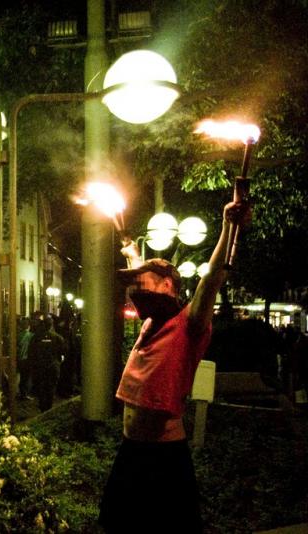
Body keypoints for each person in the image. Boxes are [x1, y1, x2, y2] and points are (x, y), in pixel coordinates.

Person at [99, 200, 252, 533]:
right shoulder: (151, 321)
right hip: (132, 450)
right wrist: (131, 254)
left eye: (143, 283)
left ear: (168, 285)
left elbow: (210, 278)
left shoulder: (190, 324)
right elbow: (144, 276)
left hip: (163, 457)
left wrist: (228, 227)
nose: (135, 290)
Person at [26, 315, 66, 412]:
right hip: (53, 367)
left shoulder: (36, 338)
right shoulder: (58, 338)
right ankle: (49, 407)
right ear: (51, 325)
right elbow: (63, 353)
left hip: (40, 368)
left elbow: (31, 353)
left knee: (41, 388)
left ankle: (42, 407)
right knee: (51, 388)